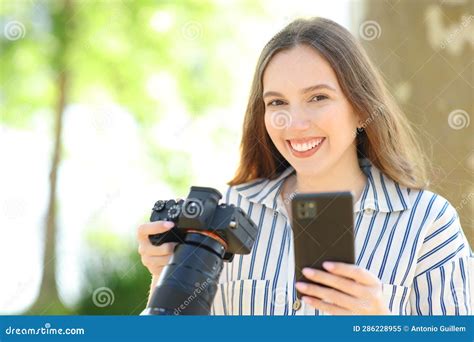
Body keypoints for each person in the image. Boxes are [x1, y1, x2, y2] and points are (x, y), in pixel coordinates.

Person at [137, 17, 472, 315]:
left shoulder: (428, 223)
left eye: (318, 98)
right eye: (277, 102)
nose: (294, 123)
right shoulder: (227, 213)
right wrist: (164, 278)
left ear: (360, 108)